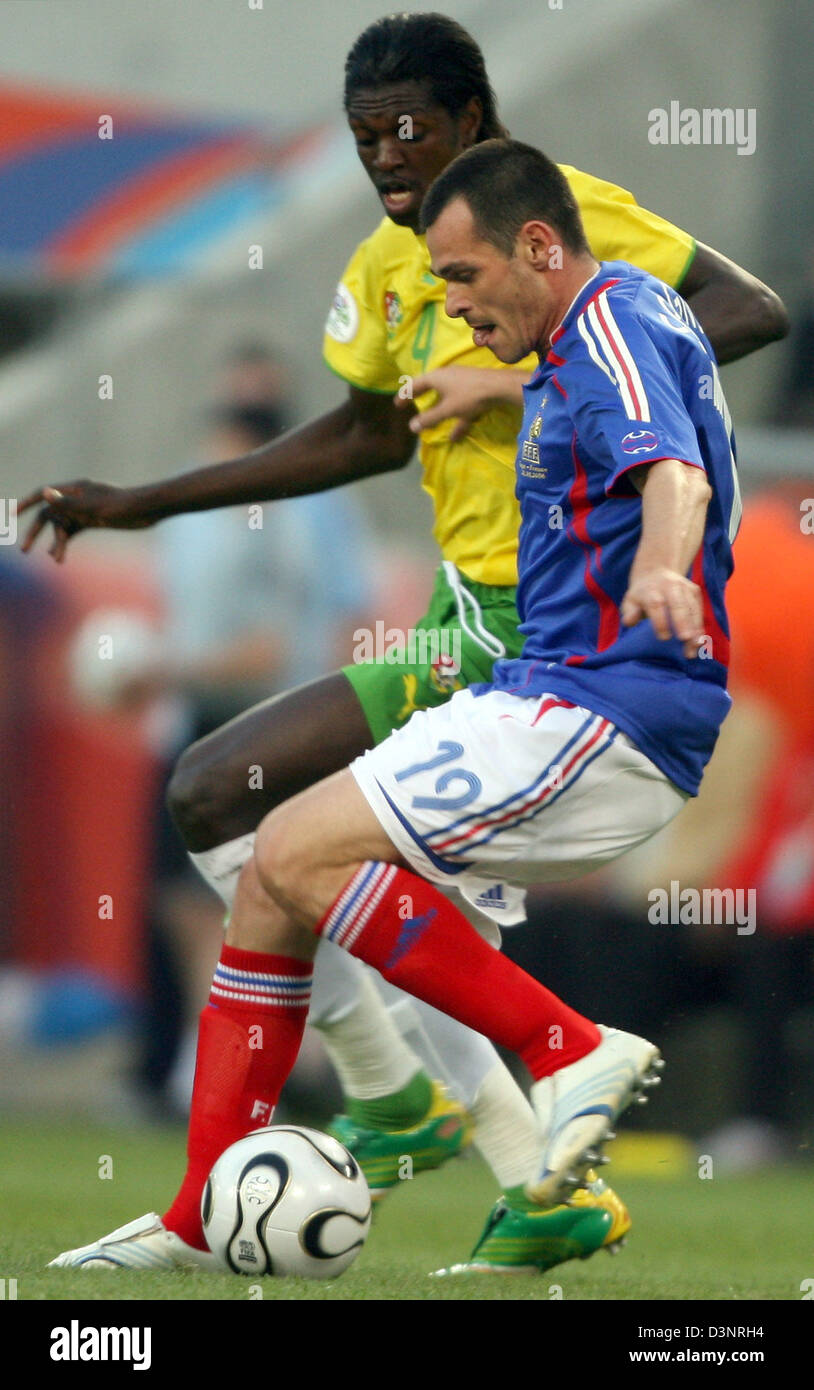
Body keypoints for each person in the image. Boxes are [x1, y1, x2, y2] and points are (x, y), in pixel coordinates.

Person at [25, 14, 783, 1274]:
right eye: (365, 136)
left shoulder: (562, 235)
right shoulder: (404, 261)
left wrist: (532, 383)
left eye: (410, 133)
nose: (384, 160)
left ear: (475, 129)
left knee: (284, 841)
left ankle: (460, 1098)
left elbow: (725, 321)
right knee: (233, 811)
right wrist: (147, 499)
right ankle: (348, 1140)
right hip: (466, 622)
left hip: (544, 642)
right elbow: (369, 432)